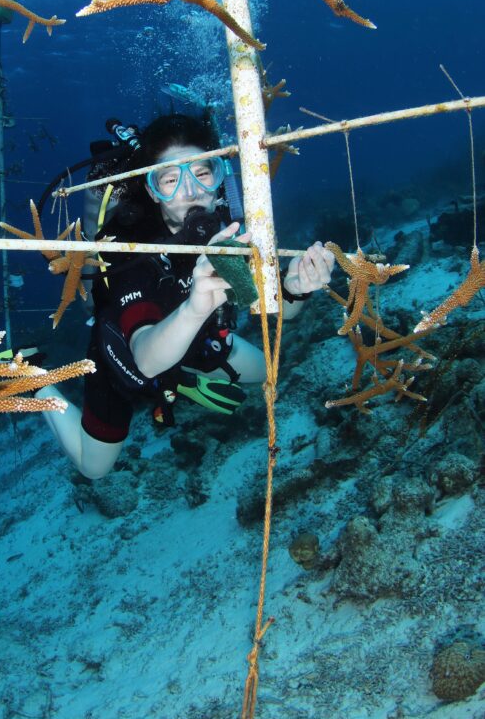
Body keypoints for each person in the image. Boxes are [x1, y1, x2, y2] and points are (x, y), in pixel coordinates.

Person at [35, 114, 334, 480]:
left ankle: (183, 378)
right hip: (124, 357)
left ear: (219, 175)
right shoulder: (129, 247)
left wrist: (295, 288)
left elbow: (283, 310)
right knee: (94, 468)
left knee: (270, 371)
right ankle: (34, 380)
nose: (191, 191)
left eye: (202, 173)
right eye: (171, 180)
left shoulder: (231, 225)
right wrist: (194, 309)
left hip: (196, 342)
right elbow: (145, 360)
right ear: (152, 191)